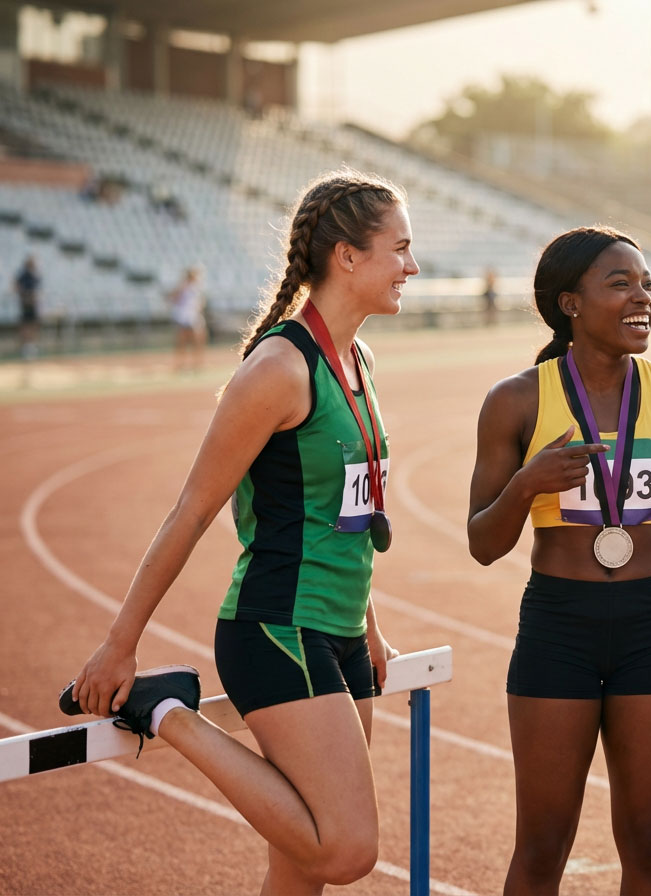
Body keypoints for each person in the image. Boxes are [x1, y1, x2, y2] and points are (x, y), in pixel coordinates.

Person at [58, 169, 419, 895]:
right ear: (347, 256)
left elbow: (344, 513)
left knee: (299, 869)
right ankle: (163, 711)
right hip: (277, 628)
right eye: (401, 248)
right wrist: (120, 644)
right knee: (345, 851)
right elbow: (191, 510)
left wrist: (369, 627)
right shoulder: (281, 369)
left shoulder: (358, 358)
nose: (413, 266)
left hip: (339, 630)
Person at [467, 226, 651, 894]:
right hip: (559, 626)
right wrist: (527, 482)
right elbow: (484, 544)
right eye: (620, 284)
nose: (641, 297)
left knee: (649, 845)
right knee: (543, 846)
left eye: (647, 284)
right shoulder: (517, 400)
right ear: (570, 303)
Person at [168, 265, 207, 372]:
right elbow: (173, 298)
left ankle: (197, 364)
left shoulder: (196, 287)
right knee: (183, 341)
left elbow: (200, 302)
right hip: (184, 317)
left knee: (197, 340)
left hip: (193, 316)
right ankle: (181, 364)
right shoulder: (183, 287)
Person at [13, 255, 41, 361]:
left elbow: (37, 290)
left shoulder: (35, 276)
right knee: (25, 325)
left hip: (33, 304)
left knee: (33, 325)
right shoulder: (23, 275)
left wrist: (34, 298)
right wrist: (24, 295)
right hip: (25, 304)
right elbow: (16, 286)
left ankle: (32, 346)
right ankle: (25, 347)